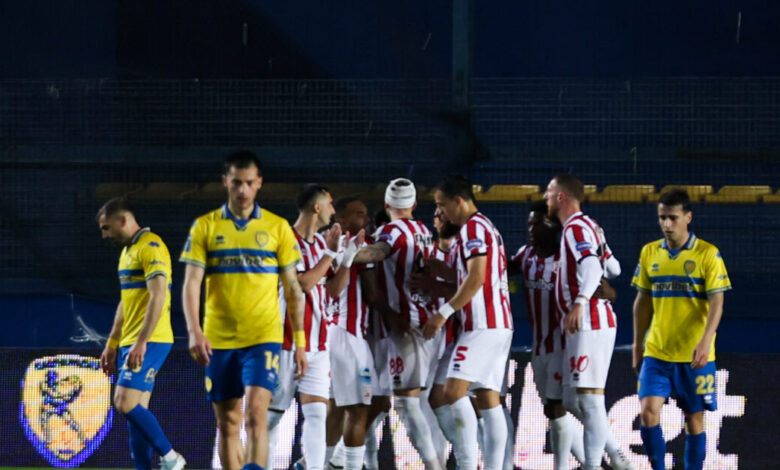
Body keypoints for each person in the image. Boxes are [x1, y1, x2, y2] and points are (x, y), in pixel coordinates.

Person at [180, 151, 307, 470]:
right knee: (228, 422)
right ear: (225, 181)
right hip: (219, 340)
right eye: (236, 182)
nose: (243, 190)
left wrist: (300, 342)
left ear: (259, 183)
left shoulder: (277, 228)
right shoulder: (205, 227)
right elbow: (192, 283)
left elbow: (294, 289)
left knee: (256, 416)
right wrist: (194, 331)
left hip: (263, 337)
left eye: (249, 183)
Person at [632, 188, 731, 470]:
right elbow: (642, 302)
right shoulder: (649, 252)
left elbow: (717, 302)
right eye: (662, 217)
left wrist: (705, 341)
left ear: (688, 217)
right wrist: (638, 345)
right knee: (648, 413)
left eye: (673, 218)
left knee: (694, 419)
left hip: (695, 355)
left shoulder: (708, 254)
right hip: (657, 352)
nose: (666, 224)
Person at [266, 185, 361, 470]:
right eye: (330, 204)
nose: (334, 210)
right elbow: (301, 285)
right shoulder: (284, 239)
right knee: (271, 418)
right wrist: (331, 253)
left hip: (318, 344)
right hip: (285, 342)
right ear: (316, 207)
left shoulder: (321, 244)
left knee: (318, 414)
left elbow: (332, 289)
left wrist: (347, 260)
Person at [422, 175, 513, 470]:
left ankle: (467, 463)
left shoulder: (474, 228)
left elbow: (476, 278)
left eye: (442, 204)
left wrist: (442, 314)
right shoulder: (481, 228)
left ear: (459, 201)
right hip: (492, 324)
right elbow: (466, 276)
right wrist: (441, 273)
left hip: (483, 325)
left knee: (452, 392)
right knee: (486, 398)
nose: (440, 211)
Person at [351, 178, 442, 470]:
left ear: (387, 204)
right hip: (413, 323)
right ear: (414, 204)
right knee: (377, 404)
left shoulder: (390, 232)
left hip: (401, 325)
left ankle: (435, 466)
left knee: (405, 403)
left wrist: (338, 253)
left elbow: (377, 253)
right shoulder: (425, 232)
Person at [97, 198, 186, 470]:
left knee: (123, 401)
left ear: (123, 220)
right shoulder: (127, 253)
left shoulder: (151, 246)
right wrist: (112, 343)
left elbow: (159, 296)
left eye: (106, 228)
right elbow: (126, 303)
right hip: (131, 341)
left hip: (151, 339)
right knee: (136, 413)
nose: (104, 235)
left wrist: (142, 342)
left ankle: (171, 458)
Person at [543, 173, 622, 470]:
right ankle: (617, 457)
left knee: (589, 400)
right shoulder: (591, 225)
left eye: (549, 191)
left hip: (589, 321)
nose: (545, 197)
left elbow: (591, 265)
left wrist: (580, 301)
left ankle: (596, 464)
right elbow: (613, 267)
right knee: (571, 398)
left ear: (561, 196)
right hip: (591, 322)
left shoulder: (575, 228)